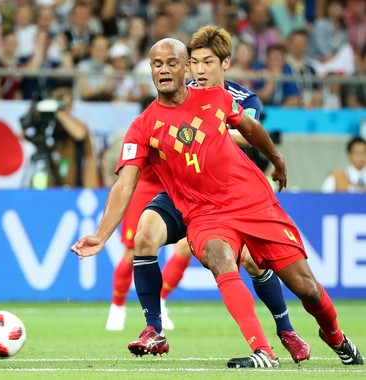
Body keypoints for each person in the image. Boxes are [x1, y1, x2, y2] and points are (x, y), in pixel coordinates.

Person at [72, 36, 363, 368]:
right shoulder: (142, 126)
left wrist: (277, 159)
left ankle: (335, 337)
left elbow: (251, 128)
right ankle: (262, 351)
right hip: (203, 212)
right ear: (150, 71)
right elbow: (124, 185)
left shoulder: (217, 98)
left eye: (172, 63)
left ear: (186, 68)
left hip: (251, 201)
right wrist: (101, 233)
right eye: (157, 64)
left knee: (307, 289)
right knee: (218, 257)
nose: (164, 70)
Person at [108, 26, 309, 366]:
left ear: (224, 64)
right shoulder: (181, 92)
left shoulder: (243, 100)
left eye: (207, 62)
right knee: (144, 237)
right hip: (182, 188)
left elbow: (247, 134)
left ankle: (285, 329)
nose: (200, 71)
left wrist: (210, 133)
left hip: (229, 190)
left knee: (251, 260)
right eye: (196, 63)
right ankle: (153, 329)